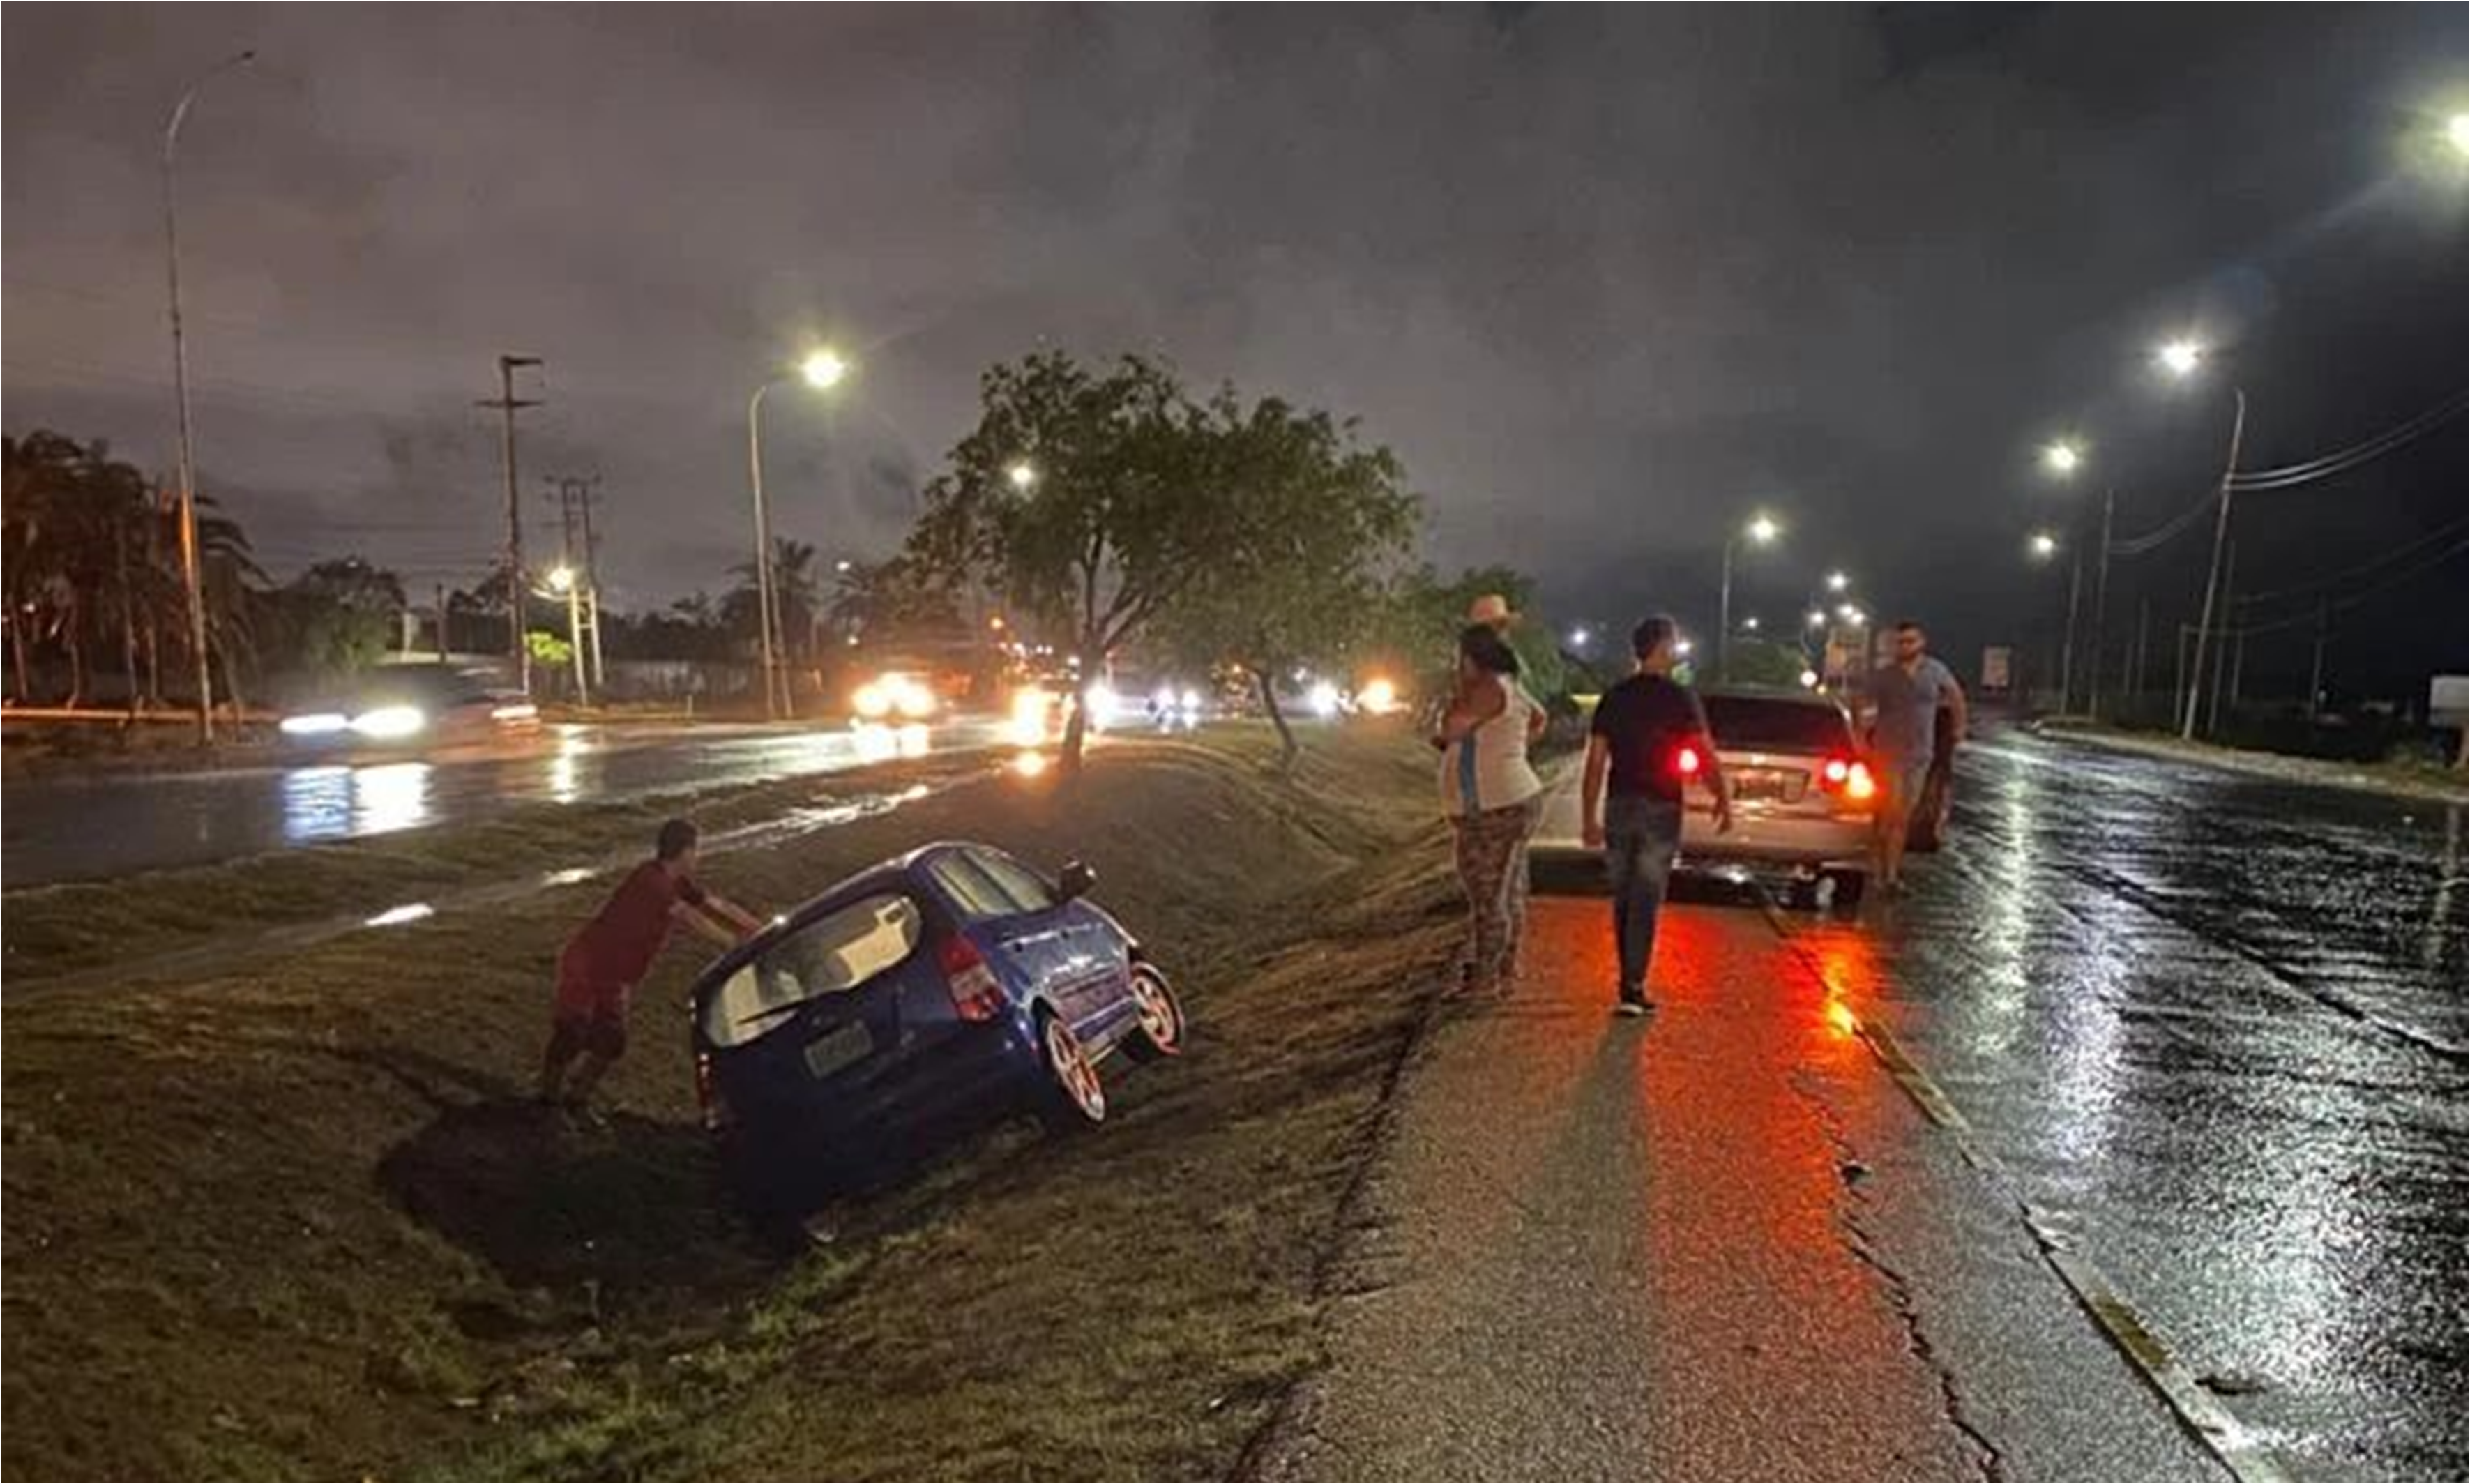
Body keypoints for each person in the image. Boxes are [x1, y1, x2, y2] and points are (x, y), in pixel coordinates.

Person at [540, 817, 763, 1116]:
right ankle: (546, 1098)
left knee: (611, 1043)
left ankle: (576, 1099)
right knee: (571, 1034)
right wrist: (737, 946)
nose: (699, 856)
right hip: (588, 964)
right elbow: (691, 919)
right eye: (696, 850)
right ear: (684, 852)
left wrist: (760, 932)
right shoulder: (651, 881)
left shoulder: (677, 882)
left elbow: (717, 907)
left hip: (616, 976)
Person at [1581, 616, 1732, 1017]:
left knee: (1625, 894)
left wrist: (1588, 818)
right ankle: (1632, 986)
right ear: (1663, 648)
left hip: (1619, 804)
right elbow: (1703, 752)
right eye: (1674, 645)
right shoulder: (1680, 698)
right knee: (1647, 894)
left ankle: (1629, 979)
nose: (1676, 652)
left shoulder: (1614, 697)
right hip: (1661, 806)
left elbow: (1595, 761)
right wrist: (1722, 796)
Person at [1435, 623, 1546, 999]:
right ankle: (1505, 973)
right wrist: (1512, 750)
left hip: (1493, 808)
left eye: (1459, 657)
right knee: (1508, 890)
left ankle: (1484, 981)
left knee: (1487, 896)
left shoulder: (1485, 688)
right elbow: (1539, 718)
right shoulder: (1511, 686)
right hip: (1513, 798)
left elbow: (1449, 729)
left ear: (1470, 657)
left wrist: (1458, 692)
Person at [1867, 619, 1968, 891]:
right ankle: (1878, 871)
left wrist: (1959, 729)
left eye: (1911, 641)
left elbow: (1956, 697)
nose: (1906, 646)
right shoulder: (1885, 675)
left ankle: (1891, 875)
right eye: (1901, 642)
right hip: (1888, 753)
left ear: (1922, 642)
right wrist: (1858, 736)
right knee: (1890, 811)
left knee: (1903, 817)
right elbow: (1860, 703)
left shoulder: (1936, 671)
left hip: (1921, 754)